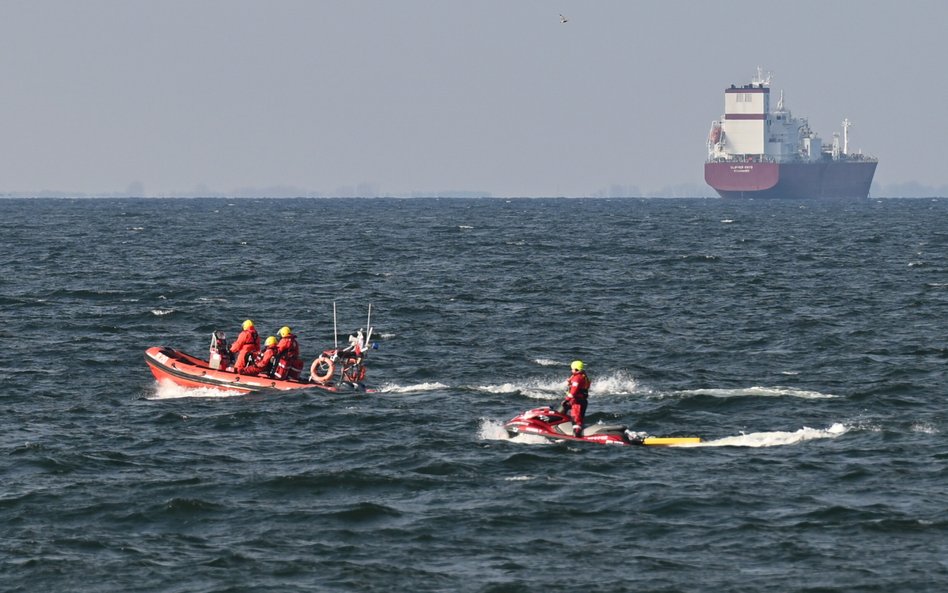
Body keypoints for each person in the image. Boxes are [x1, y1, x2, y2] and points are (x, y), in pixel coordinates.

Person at [559, 360, 590, 437]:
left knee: (576, 419)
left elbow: (573, 392)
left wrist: (566, 400)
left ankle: (577, 434)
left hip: (577, 401)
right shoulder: (583, 376)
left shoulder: (577, 378)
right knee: (563, 410)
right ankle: (561, 425)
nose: (571, 370)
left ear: (576, 369)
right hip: (581, 401)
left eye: (572, 369)